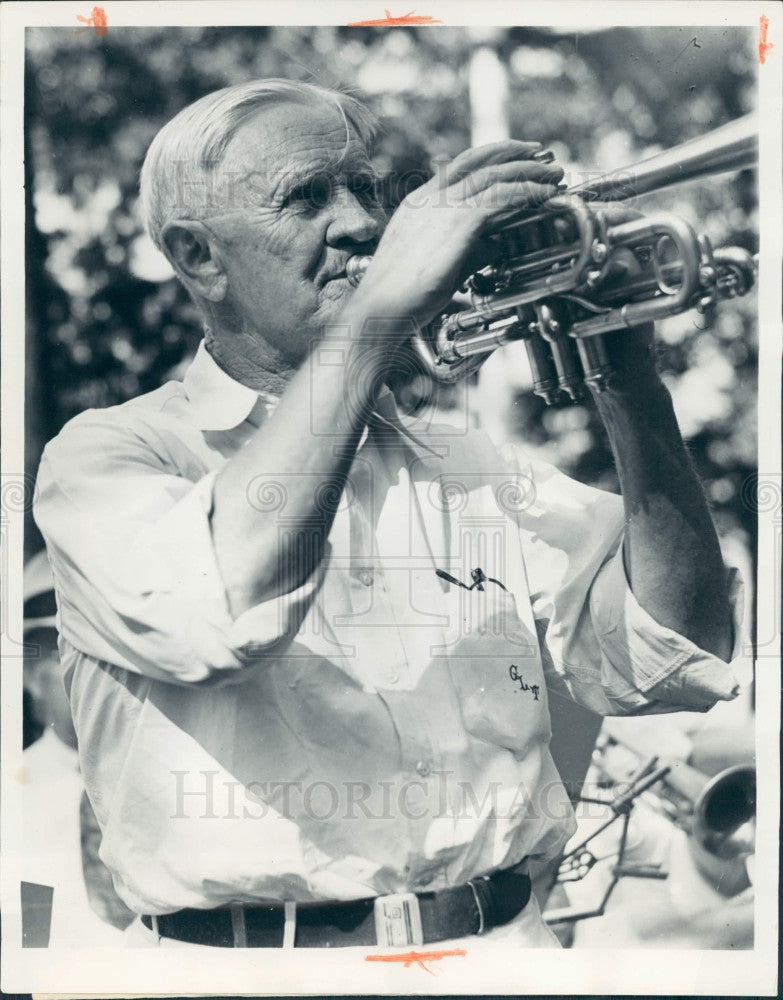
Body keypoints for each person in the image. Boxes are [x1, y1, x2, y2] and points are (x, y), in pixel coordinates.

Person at [33, 79, 746, 950]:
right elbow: (214, 614)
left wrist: (625, 375)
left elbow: (676, 651)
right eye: (306, 196)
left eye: (364, 188)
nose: (365, 224)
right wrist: (373, 326)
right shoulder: (107, 456)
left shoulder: (467, 466)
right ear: (199, 257)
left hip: (505, 949)